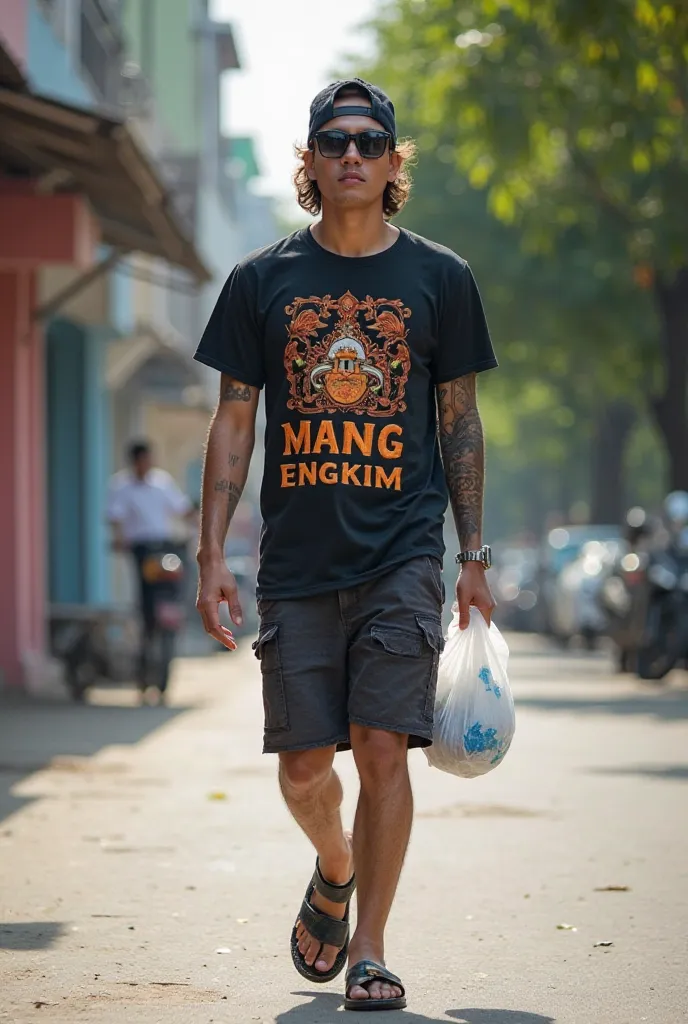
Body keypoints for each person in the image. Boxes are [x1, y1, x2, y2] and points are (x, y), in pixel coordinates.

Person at [194, 79, 497, 1012]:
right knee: (300, 768)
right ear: (312, 161)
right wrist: (210, 553)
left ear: (395, 162)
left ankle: (369, 948)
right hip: (296, 562)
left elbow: (460, 421)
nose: (353, 154)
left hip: (404, 551)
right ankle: (334, 865)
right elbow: (234, 423)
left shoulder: (441, 278)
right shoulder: (261, 280)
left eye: (371, 141)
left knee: (380, 751)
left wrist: (472, 557)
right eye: (335, 141)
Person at [107, 441, 199, 696]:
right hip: (142, 550)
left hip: (166, 548)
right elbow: (115, 518)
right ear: (134, 461)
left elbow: (182, 509)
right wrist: (119, 538)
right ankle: (144, 655)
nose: (146, 465)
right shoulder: (121, 486)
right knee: (145, 606)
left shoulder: (161, 482)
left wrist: (200, 528)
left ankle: (170, 624)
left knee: (174, 590)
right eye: (142, 461)